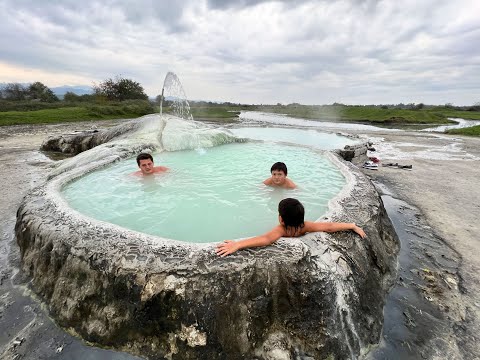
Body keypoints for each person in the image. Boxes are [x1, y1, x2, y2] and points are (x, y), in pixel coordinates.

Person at [216, 198, 366, 257]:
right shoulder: (304, 226)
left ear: (280, 219)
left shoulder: (281, 230)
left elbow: (266, 239)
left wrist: (238, 244)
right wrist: (352, 225)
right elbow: (329, 227)